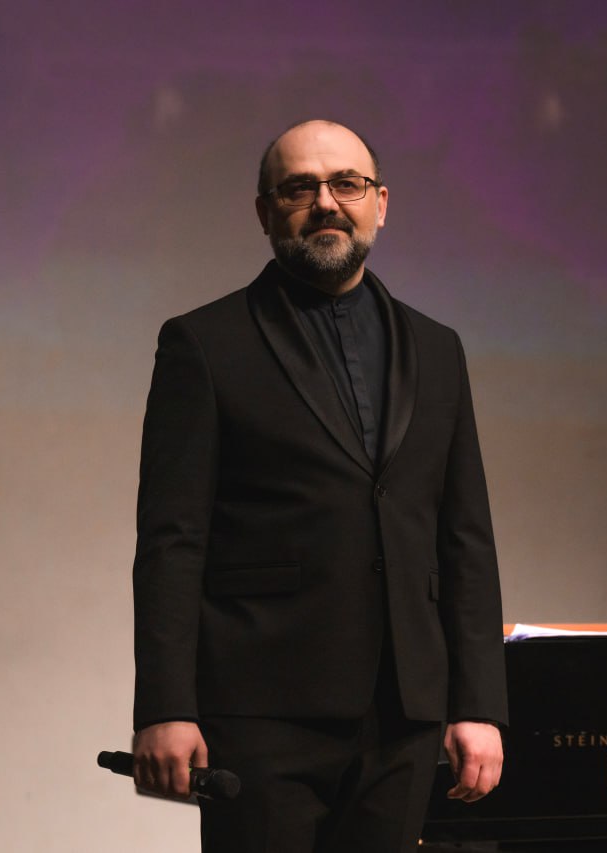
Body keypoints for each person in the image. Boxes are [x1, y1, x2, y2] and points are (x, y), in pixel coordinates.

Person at [129, 119, 507, 852]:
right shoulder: (204, 344)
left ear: (380, 203)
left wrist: (479, 704)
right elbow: (172, 539)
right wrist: (166, 706)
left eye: (347, 185)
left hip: (405, 712)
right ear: (265, 211)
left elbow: (466, 537)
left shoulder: (439, 349)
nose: (326, 203)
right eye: (300, 188)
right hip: (260, 711)